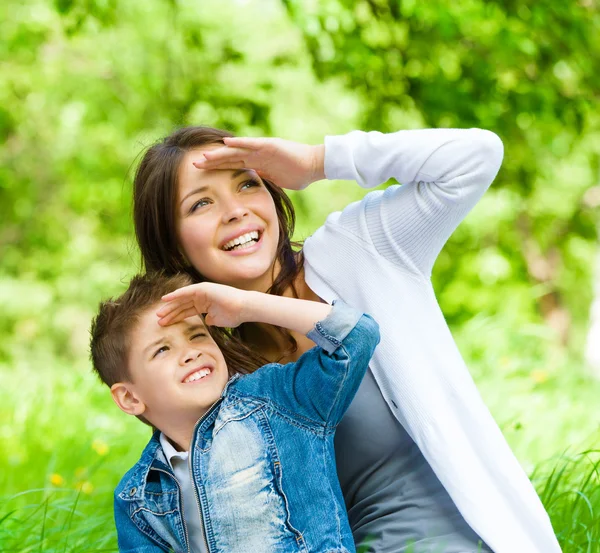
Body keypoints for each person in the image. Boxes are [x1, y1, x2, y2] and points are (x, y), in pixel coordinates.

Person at [132, 126, 562, 553]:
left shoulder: (358, 248)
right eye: (201, 203)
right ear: (173, 247)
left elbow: (476, 156)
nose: (235, 211)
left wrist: (318, 161)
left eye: (247, 183)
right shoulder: (213, 372)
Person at [90, 271, 380, 553]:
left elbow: (357, 336)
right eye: (162, 350)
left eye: (196, 335)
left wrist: (247, 305)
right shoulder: (138, 495)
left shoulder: (278, 401)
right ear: (129, 398)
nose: (191, 352)